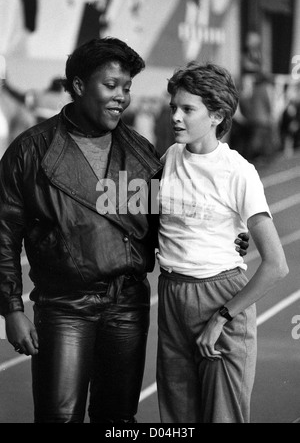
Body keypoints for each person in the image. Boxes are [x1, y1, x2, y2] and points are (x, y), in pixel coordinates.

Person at [0, 38, 248, 424]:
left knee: (117, 419)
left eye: (127, 88)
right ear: (80, 86)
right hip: (66, 305)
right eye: (111, 86)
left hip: (128, 306)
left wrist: (226, 235)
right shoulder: (30, 151)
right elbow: (4, 235)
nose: (121, 97)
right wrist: (12, 308)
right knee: (60, 416)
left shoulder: (140, 152)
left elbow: (160, 219)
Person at [155, 62, 289, 423]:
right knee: (177, 421)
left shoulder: (238, 172)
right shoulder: (168, 159)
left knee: (221, 417)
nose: (176, 117)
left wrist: (221, 319)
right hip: (172, 297)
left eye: (188, 109)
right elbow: (136, 214)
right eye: (173, 108)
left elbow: (277, 265)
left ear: (216, 115)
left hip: (220, 301)